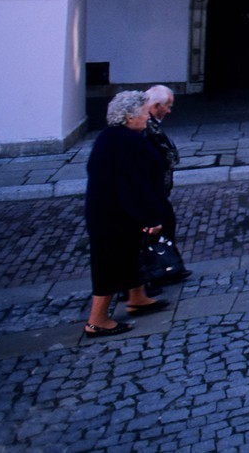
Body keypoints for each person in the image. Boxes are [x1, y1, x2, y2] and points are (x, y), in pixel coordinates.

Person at [82, 91, 170, 337]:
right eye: (143, 113)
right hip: (114, 218)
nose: (147, 117)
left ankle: (137, 298)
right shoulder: (127, 143)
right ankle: (97, 320)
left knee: (130, 256)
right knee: (110, 265)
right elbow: (133, 185)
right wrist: (152, 217)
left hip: (109, 214)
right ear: (129, 117)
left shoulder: (110, 137)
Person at [141, 84, 189, 283]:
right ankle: (160, 270)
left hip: (158, 190)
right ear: (155, 106)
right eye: (167, 106)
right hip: (153, 191)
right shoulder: (145, 127)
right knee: (159, 226)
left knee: (166, 223)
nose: (169, 111)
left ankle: (169, 266)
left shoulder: (151, 124)